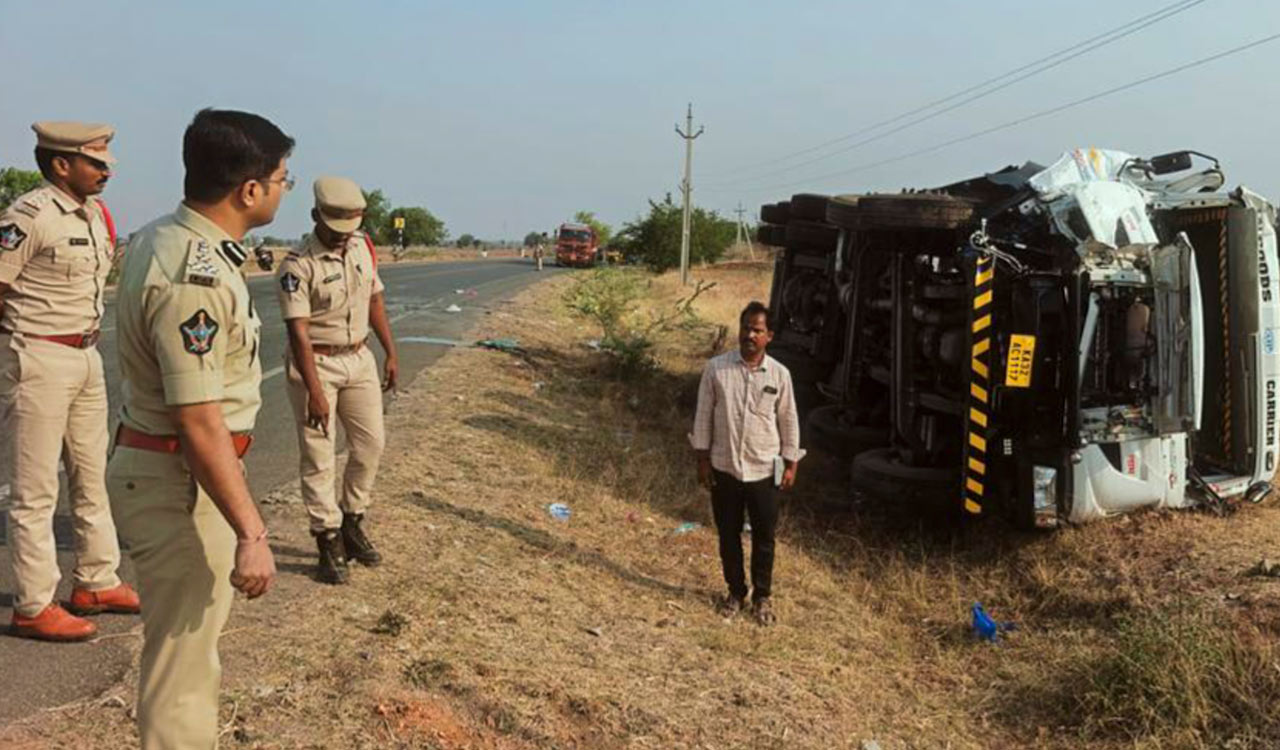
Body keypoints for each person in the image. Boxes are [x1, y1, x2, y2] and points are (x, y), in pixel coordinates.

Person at [107, 108, 292, 749]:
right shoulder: (194, 275)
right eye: (281, 179)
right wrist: (252, 532)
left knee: (192, 657)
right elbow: (197, 418)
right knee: (181, 668)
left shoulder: (169, 240)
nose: (282, 189)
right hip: (178, 480)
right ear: (249, 189)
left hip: (179, 471)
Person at [0, 121, 140, 642]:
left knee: (89, 473)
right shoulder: (29, 215)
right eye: (95, 163)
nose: (105, 172)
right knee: (34, 490)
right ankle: (34, 603)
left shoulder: (95, 216)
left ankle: (96, 579)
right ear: (61, 165)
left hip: (84, 356)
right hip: (37, 356)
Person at [275, 176, 397, 584]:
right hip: (317, 364)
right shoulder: (297, 265)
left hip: (358, 358)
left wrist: (390, 352)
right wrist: (314, 391)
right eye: (335, 229)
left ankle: (351, 521)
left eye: (350, 228)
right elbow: (298, 332)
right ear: (315, 217)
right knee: (319, 455)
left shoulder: (361, 247)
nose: (343, 238)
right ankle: (327, 540)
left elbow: (375, 299)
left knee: (370, 445)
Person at [689, 301, 803, 626]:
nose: (749, 335)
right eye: (745, 328)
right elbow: (703, 416)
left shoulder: (780, 375)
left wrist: (791, 464)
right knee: (728, 534)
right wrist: (703, 459)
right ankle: (735, 592)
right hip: (725, 468)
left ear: (769, 336)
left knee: (765, 537)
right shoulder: (716, 369)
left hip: (765, 471)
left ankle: (762, 596)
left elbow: (789, 421)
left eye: (757, 330)